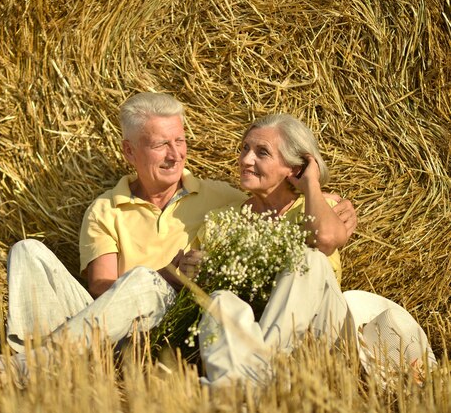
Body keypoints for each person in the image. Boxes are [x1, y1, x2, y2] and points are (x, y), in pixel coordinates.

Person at [0, 95, 357, 384]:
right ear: (129, 152)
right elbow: (101, 290)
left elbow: (314, 230)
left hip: (170, 321)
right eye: (160, 145)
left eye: (180, 141)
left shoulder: (222, 198)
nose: (174, 155)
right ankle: (30, 363)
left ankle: (256, 370)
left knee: (295, 264)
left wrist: (322, 196)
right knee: (27, 250)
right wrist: (171, 272)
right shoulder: (108, 209)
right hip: (116, 318)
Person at [187, 113, 436, 388]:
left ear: (293, 168)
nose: (246, 159)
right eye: (244, 148)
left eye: (262, 152)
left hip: (321, 338)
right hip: (252, 338)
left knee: (309, 259)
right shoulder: (221, 222)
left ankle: (256, 374)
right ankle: (244, 388)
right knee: (221, 301)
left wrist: (312, 183)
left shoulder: (319, 207)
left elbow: (326, 239)